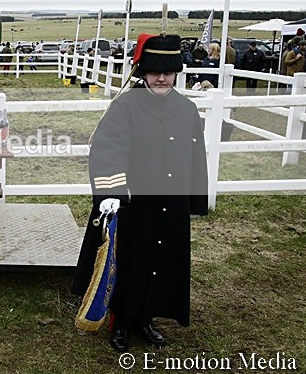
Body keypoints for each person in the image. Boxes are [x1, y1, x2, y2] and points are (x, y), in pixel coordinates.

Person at [72, 33, 208, 353]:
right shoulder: (126, 106)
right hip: (131, 202)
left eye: (168, 72)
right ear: (142, 71)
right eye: (154, 71)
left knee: (160, 262)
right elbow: (107, 150)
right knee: (129, 261)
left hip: (169, 204)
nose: (161, 78)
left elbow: (195, 155)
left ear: (176, 72)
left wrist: (193, 199)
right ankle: (120, 322)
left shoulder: (187, 109)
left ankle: (146, 318)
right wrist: (111, 193)